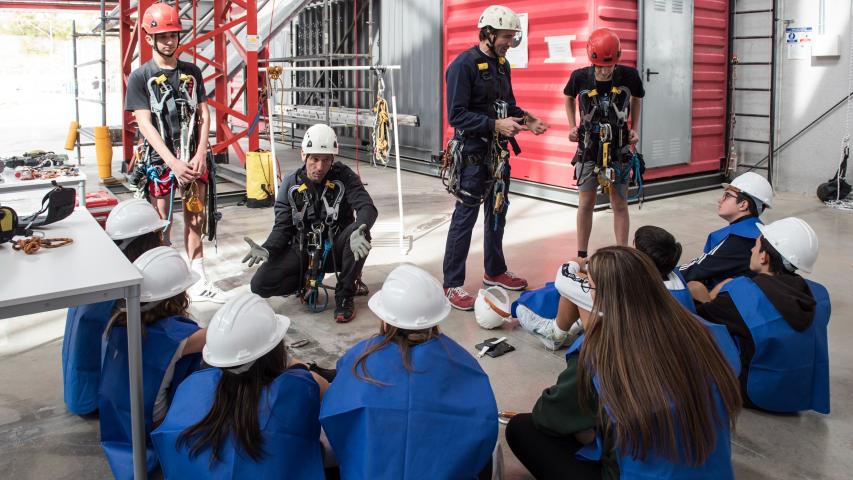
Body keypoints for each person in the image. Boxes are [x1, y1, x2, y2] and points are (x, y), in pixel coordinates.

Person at [506, 247, 742, 480]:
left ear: (601, 296)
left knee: (521, 428)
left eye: (588, 284)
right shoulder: (704, 331)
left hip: (638, 472)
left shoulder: (603, 354)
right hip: (712, 469)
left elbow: (547, 416)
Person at [320, 265, 499, 479]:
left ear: (385, 320)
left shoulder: (361, 358)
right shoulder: (461, 362)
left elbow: (335, 414)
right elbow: (484, 424)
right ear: (436, 319)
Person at [152, 293, 331, 478]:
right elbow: (329, 394)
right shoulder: (298, 388)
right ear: (276, 351)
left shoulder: (190, 387)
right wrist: (295, 365)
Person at [442, 4, 550, 310]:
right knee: (465, 217)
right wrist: (493, 125)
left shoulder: (503, 66)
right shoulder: (463, 65)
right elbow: (457, 115)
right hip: (473, 155)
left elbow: (509, 105)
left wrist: (529, 120)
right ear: (488, 33)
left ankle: (495, 270)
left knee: (498, 210)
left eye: (513, 38)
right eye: (506, 37)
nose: (510, 43)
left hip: (498, 154)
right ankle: (451, 284)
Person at [125, 2, 226, 303]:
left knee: (196, 217)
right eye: (164, 36)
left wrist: (197, 156)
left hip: (193, 160)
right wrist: (172, 162)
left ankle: (199, 278)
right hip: (161, 162)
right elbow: (144, 123)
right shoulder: (140, 77)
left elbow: (203, 115)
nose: (170, 41)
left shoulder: (192, 73)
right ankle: (165, 284)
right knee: (161, 225)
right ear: (149, 38)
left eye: (174, 35)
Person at [243, 123, 377, 323]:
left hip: (336, 250)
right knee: (260, 284)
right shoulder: (290, 184)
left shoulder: (344, 177)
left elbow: (367, 207)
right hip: (303, 250)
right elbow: (282, 227)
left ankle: (345, 296)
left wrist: (360, 228)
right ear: (303, 155)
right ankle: (303, 283)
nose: (320, 167)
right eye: (314, 159)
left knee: (360, 233)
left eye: (326, 160)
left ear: (333, 159)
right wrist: (268, 248)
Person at [695, 217, 830, 414]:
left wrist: (710, 293)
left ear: (764, 257)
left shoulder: (741, 295)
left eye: (756, 245)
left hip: (756, 394)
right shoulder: (820, 295)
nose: (751, 250)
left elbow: (696, 320)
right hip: (799, 393)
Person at [99, 246, 206, 480]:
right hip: (152, 426)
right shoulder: (175, 337)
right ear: (177, 297)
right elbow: (220, 337)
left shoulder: (117, 321)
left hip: (118, 424)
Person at [62, 198, 167, 415]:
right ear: (145, 240)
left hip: (79, 390)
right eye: (158, 235)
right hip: (99, 399)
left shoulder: (104, 268)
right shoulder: (125, 286)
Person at [512, 225, 695, 350]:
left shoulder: (629, 290)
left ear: (641, 259)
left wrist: (574, 263)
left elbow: (563, 280)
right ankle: (569, 328)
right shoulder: (674, 277)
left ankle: (556, 333)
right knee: (586, 286)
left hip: (630, 351)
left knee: (580, 287)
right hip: (663, 347)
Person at [566, 28, 644, 257]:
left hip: (619, 149)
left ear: (617, 60)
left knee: (619, 202)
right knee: (585, 202)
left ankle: (623, 253)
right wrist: (572, 126)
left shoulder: (630, 77)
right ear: (591, 60)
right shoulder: (579, 77)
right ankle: (582, 255)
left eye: (608, 66)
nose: (603, 71)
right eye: (598, 66)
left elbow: (637, 99)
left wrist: (634, 129)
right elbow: (568, 98)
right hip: (588, 148)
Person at [680, 172, 774, 297]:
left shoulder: (739, 240)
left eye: (727, 196)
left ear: (743, 205)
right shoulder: (761, 233)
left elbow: (697, 270)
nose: (720, 200)